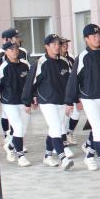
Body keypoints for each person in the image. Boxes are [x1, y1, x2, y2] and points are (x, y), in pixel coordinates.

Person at [65, 24, 100, 176]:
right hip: (89, 99)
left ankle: (89, 156)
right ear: (86, 39)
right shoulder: (82, 57)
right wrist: (70, 101)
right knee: (97, 130)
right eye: (93, 36)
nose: (97, 38)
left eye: (98, 35)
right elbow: (73, 80)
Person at [23, 34, 75, 170]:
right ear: (47, 46)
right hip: (47, 101)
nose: (57, 46)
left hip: (62, 101)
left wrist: (72, 100)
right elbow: (30, 83)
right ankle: (63, 158)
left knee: (55, 128)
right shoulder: (40, 63)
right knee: (57, 127)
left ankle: (47, 156)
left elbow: (71, 82)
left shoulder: (64, 61)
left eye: (58, 44)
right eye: (54, 44)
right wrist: (27, 102)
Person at [0, 42, 33, 168]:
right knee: (18, 127)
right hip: (9, 103)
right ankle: (21, 156)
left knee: (22, 130)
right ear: (6, 52)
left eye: (16, 49)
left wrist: (33, 99)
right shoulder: (2, 68)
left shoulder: (25, 65)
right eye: (11, 49)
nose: (15, 51)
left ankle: (10, 146)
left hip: (24, 102)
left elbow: (31, 83)